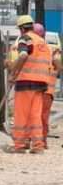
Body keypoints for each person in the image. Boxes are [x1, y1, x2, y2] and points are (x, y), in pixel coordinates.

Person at [7, 15, 53, 153]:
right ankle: (38, 145)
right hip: (41, 83)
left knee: (21, 113)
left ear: (21, 28)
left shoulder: (25, 39)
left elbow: (23, 55)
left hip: (26, 81)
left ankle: (19, 145)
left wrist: (13, 72)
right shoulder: (42, 42)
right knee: (35, 114)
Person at [33, 23, 62, 148]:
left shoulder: (33, 48)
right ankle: (41, 141)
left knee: (37, 115)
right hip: (45, 88)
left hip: (35, 88)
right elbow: (59, 66)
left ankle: (38, 141)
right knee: (42, 116)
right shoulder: (51, 49)